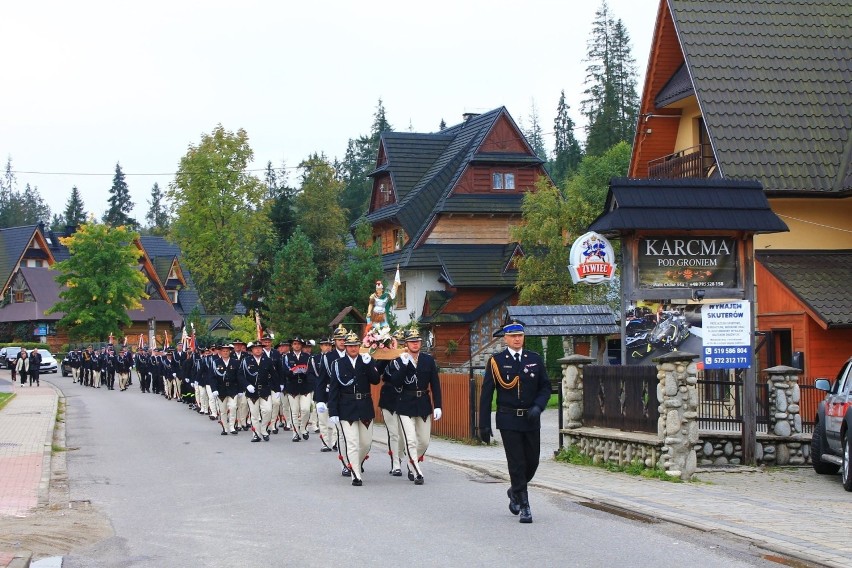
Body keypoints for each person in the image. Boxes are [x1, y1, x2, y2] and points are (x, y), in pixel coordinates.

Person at [479, 320, 551, 524]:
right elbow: (486, 394)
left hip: (530, 418)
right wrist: (483, 424)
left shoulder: (534, 359)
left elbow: (545, 387)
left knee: (533, 462)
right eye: (513, 336)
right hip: (508, 418)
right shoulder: (497, 361)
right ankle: (525, 505)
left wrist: (538, 406)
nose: (517, 339)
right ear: (506, 338)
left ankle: (515, 490)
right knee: (517, 462)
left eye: (520, 335)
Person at [328, 332, 380, 486]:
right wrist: (333, 411)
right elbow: (334, 389)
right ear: (346, 347)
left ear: (359, 346)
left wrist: (369, 364)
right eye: (350, 346)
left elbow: (376, 380)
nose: (353, 348)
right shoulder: (338, 364)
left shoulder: (366, 360)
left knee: (365, 443)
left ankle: (355, 463)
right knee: (351, 442)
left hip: (364, 406)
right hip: (346, 407)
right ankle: (356, 474)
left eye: (355, 345)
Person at [391, 329, 442, 485]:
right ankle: (417, 471)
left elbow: (435, 383)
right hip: (405, 403)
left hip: (423, 403)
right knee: (411, 440)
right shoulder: (399, 360)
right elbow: (395, 383)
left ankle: (411, 461)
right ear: (406, 343)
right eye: (412, 341)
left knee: (424, 441)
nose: (415, 343)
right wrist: (404, 365)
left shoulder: (428, 360)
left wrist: (438, 405)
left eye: (417, 341)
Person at [378, 329, 407, 477]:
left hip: (404, 398)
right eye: (397, 343)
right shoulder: (386, 358)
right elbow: (377, 373)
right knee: (394, 433)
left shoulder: (409, 359)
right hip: (389, 397)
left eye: (402, 343)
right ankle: (395, 464)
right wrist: (383, 355)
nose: (399, 346)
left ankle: (401, 458)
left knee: (404, 434)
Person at [315, 326, 348, 457]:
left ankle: (335, 442)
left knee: (337, 421)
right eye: (339, 339)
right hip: (329, 391)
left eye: (344, 339)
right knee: (324, 420)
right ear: (334, 341)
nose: (342, 342)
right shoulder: (328, 357)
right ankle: (325, 442)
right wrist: (320, 399)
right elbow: (321, 379)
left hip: (345, 393)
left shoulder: (351, 354)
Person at [239, 341, 275, 442]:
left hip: (265, 389)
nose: (258, 349)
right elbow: (240, 375)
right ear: (252, 350)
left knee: (268, 410)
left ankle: (264, 429)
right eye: (255, 348)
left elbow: (273, 375)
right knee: (254, 414)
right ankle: (256, 434)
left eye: (260, 348)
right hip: (252, 391)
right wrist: (247, 385)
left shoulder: (267, 360)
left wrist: (277, 389)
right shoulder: (246, 361)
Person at [284, 337, 313, 442]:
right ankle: (295, 432)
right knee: (294, 411)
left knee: (305, 409)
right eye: (295, 344)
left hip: (305, 386)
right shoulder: (287, 357)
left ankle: (303, 428)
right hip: (292, 386)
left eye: (299, 344)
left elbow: (311, 371)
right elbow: (284, 371)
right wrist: (293, 371)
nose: (297, 345)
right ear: (292, 345)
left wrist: (305, 372)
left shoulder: (307, 357)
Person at [209, 344, 241, 435]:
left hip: (232, 388)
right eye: (223, 351)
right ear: (220, 352)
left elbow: (239, 376)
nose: (225, 352)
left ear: (230, 352)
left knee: (233, 407)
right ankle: (225, 428)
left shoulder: (235, 362)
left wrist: (240, 390)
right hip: (221, 389)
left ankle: (232, 426)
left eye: (227, 351)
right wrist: (214, 389)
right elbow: (212, 377)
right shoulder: (216, 362)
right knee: (223, 410)